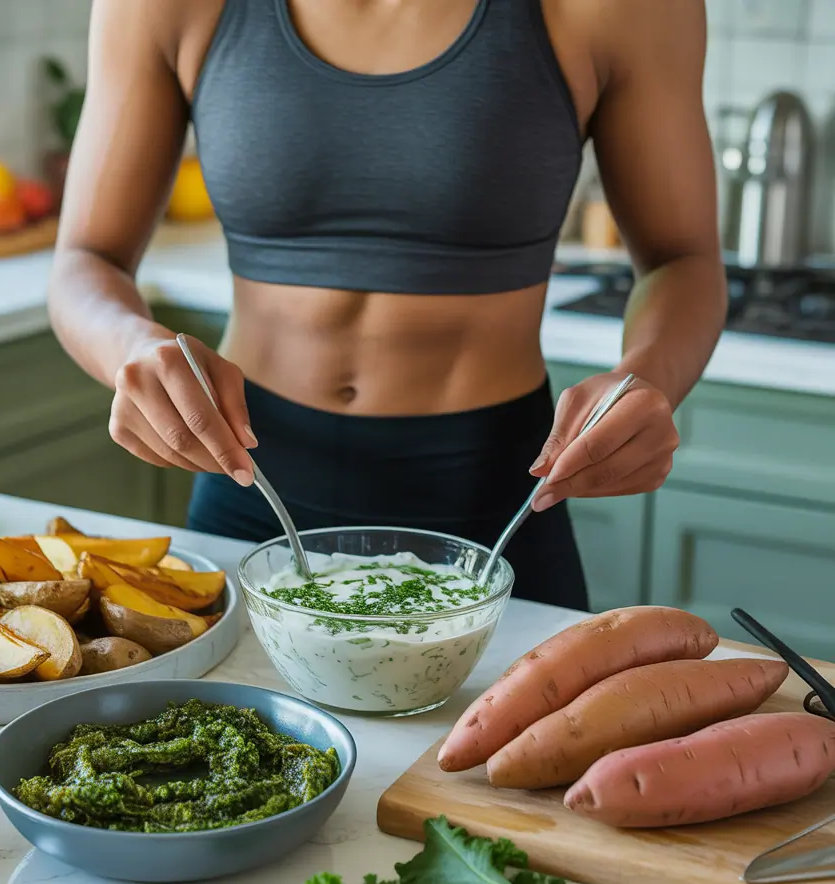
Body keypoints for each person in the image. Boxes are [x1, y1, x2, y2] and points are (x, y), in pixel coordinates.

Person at [48, 0, 726, 611]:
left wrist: (649, 380)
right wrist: (130, 348)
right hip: (254, 494)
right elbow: (86, 261)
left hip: (498, 506)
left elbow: (682, 260)